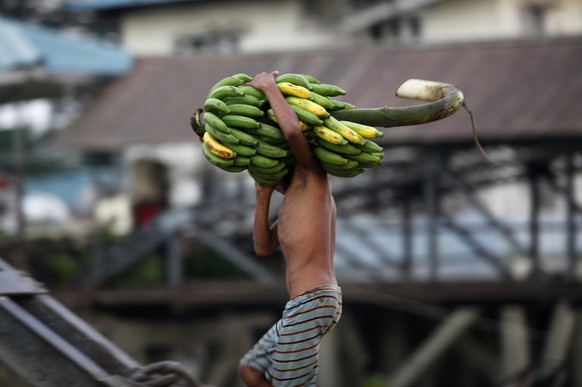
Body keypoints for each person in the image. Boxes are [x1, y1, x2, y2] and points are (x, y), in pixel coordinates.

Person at [239, 71, 342, 387]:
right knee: (252, 370)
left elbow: (295, 134)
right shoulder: (291, 204)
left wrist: (269, 89)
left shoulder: (312, 177)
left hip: (312, 299)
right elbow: (263, 248)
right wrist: (262, 196)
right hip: (302, 304)